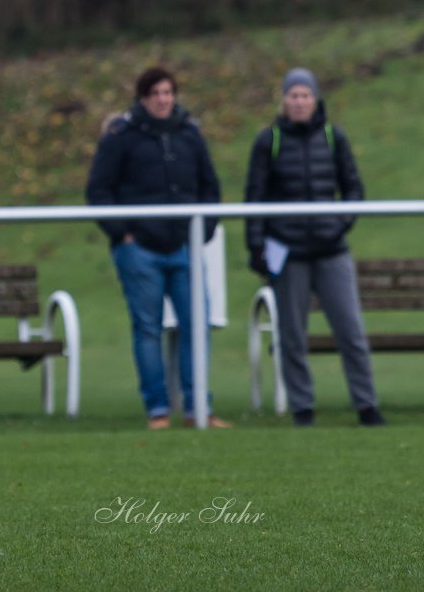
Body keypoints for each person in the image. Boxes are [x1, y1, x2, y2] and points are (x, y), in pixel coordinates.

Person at [86, 66, 232, 430]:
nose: (163, 99)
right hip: (139, 251)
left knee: (195, 326)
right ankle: (158, 411)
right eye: (156, 93)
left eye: (168, 92)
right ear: (143, 97)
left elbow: (210, 188)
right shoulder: (121, 136)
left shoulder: (189, 134)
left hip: (184, 246)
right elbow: (99, 190)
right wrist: (123, 235)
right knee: (148, 330)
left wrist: (204, 231)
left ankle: (199, 409)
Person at [244, 68, 385, 427]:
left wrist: (337, 226)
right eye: (293, 95)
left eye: (306, 95)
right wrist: (257, 246)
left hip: (331, 249)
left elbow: (353, 190)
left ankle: (366, 404)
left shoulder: (333, 137)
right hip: (289, 252)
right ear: (284, 100)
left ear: (316, 99)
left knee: (350, 331)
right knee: (292, 335)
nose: (300, 101)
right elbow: (254, 198)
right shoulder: (269, 141)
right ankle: (302, 408)